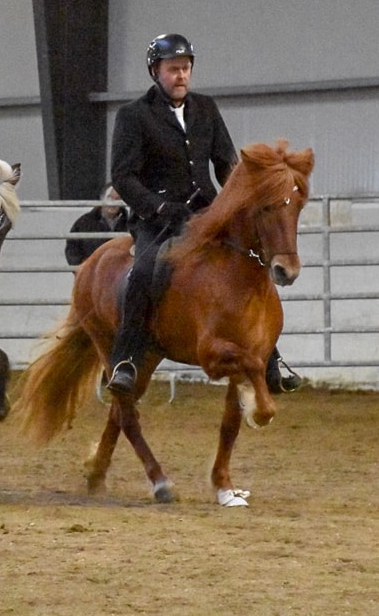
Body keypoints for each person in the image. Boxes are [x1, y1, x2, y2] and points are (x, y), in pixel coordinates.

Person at [106, 33, 298, 396]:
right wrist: (159, 207)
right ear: (155, 72)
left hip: (207, 212)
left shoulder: (206, 108)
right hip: (158, 219)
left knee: (252, 260)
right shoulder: (133, 115)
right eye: (173, 69)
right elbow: (123, 176)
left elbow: (226, 163)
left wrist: (240, 198)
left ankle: (271, 356)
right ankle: (126, 358)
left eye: (186, 68)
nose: (181, 75)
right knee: (144, 271)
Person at [64, 184, 129, 266]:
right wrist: (83, 267)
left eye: (117, 199)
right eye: (109, 198)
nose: (113, 203)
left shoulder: (130, 223)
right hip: (92, 270)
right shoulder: (84, 223)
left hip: (121, 271)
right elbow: (72, 249)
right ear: (101, 198)